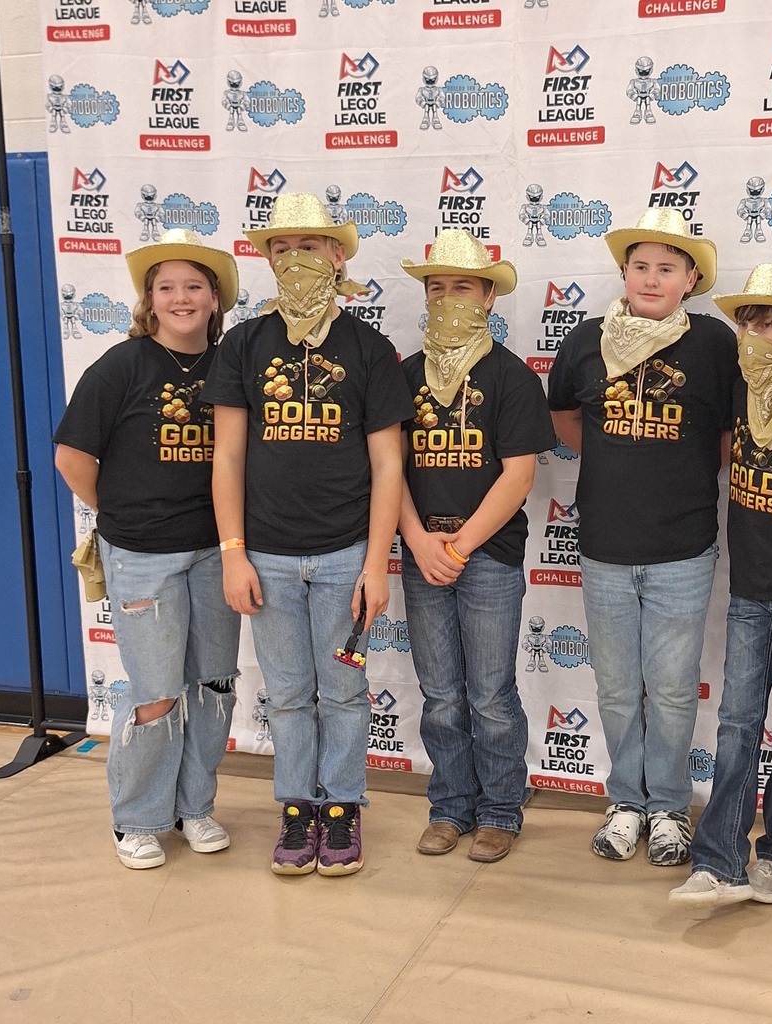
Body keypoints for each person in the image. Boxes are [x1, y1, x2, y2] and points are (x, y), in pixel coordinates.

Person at [202, 193, 413, 877]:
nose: (296, 260)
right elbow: (228, 455)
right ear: (267, 259)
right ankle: (297, 810)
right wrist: (233, 553)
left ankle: (343, 806)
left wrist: (377, 564)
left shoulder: (370, 348)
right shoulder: (242, 344)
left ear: (338, 256)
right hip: (265, 555)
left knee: (344, 690)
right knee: (289, 693)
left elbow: (388, 462)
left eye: (310, 246)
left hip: (345, 556)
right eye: (282, 248)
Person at [547, 208, 738, 866]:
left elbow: (726, 437)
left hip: (682, 548)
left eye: (667, 268)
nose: (651, 278)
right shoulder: (587, 338)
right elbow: (567, 416)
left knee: (676, 687)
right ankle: (626, 801)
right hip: (603, 545)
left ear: (691, 280)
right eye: (640, 266)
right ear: (624, 273)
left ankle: (668, 809)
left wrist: (673, 469)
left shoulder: (714, 344)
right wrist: (611, 457)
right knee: (618, 688)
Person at [54, 229, 242, 870]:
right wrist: (121, 516)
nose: (181, 298)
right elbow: (71, 457)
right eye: (167, 287)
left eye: (194, 286)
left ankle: (195, 807)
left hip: (217, 549)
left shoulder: (231, 365)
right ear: (150, 299)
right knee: (157, 691)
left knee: (213, 685)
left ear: (215, 299)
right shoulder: (120, 366)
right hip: (143, 555)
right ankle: (138, 819)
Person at [667, 264, 772, 908]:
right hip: (748, 591)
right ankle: (718, 860)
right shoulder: (736, 392)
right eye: (747, 320)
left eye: (769, 322)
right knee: (737, 721)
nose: (754, 333)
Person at [398, 230, 556, 863]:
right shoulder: (405, 375)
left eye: (461, 286)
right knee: (440, 695)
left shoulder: (510, 377)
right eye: (436, 288)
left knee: (490, 694)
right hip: (420, 556)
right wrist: (418, 540)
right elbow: (390, 470)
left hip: (486, 557)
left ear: (489, 295)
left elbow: (517, 476)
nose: (447, 298)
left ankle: (498, 810)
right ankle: (449, 807)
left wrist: (458, 545)